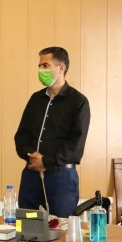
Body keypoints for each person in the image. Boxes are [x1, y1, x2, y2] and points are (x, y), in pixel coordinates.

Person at [14, 47, 90, 218]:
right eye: (39, 66)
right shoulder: (36, 99)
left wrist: (46, 162)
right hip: (31, 176)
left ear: (60, 68)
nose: (41, 70)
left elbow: (76, 146)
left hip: (61, 178)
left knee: (60, 227)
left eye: (45, 65)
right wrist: (32, 158)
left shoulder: (78, 102)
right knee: (28, 224)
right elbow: (21, 135)